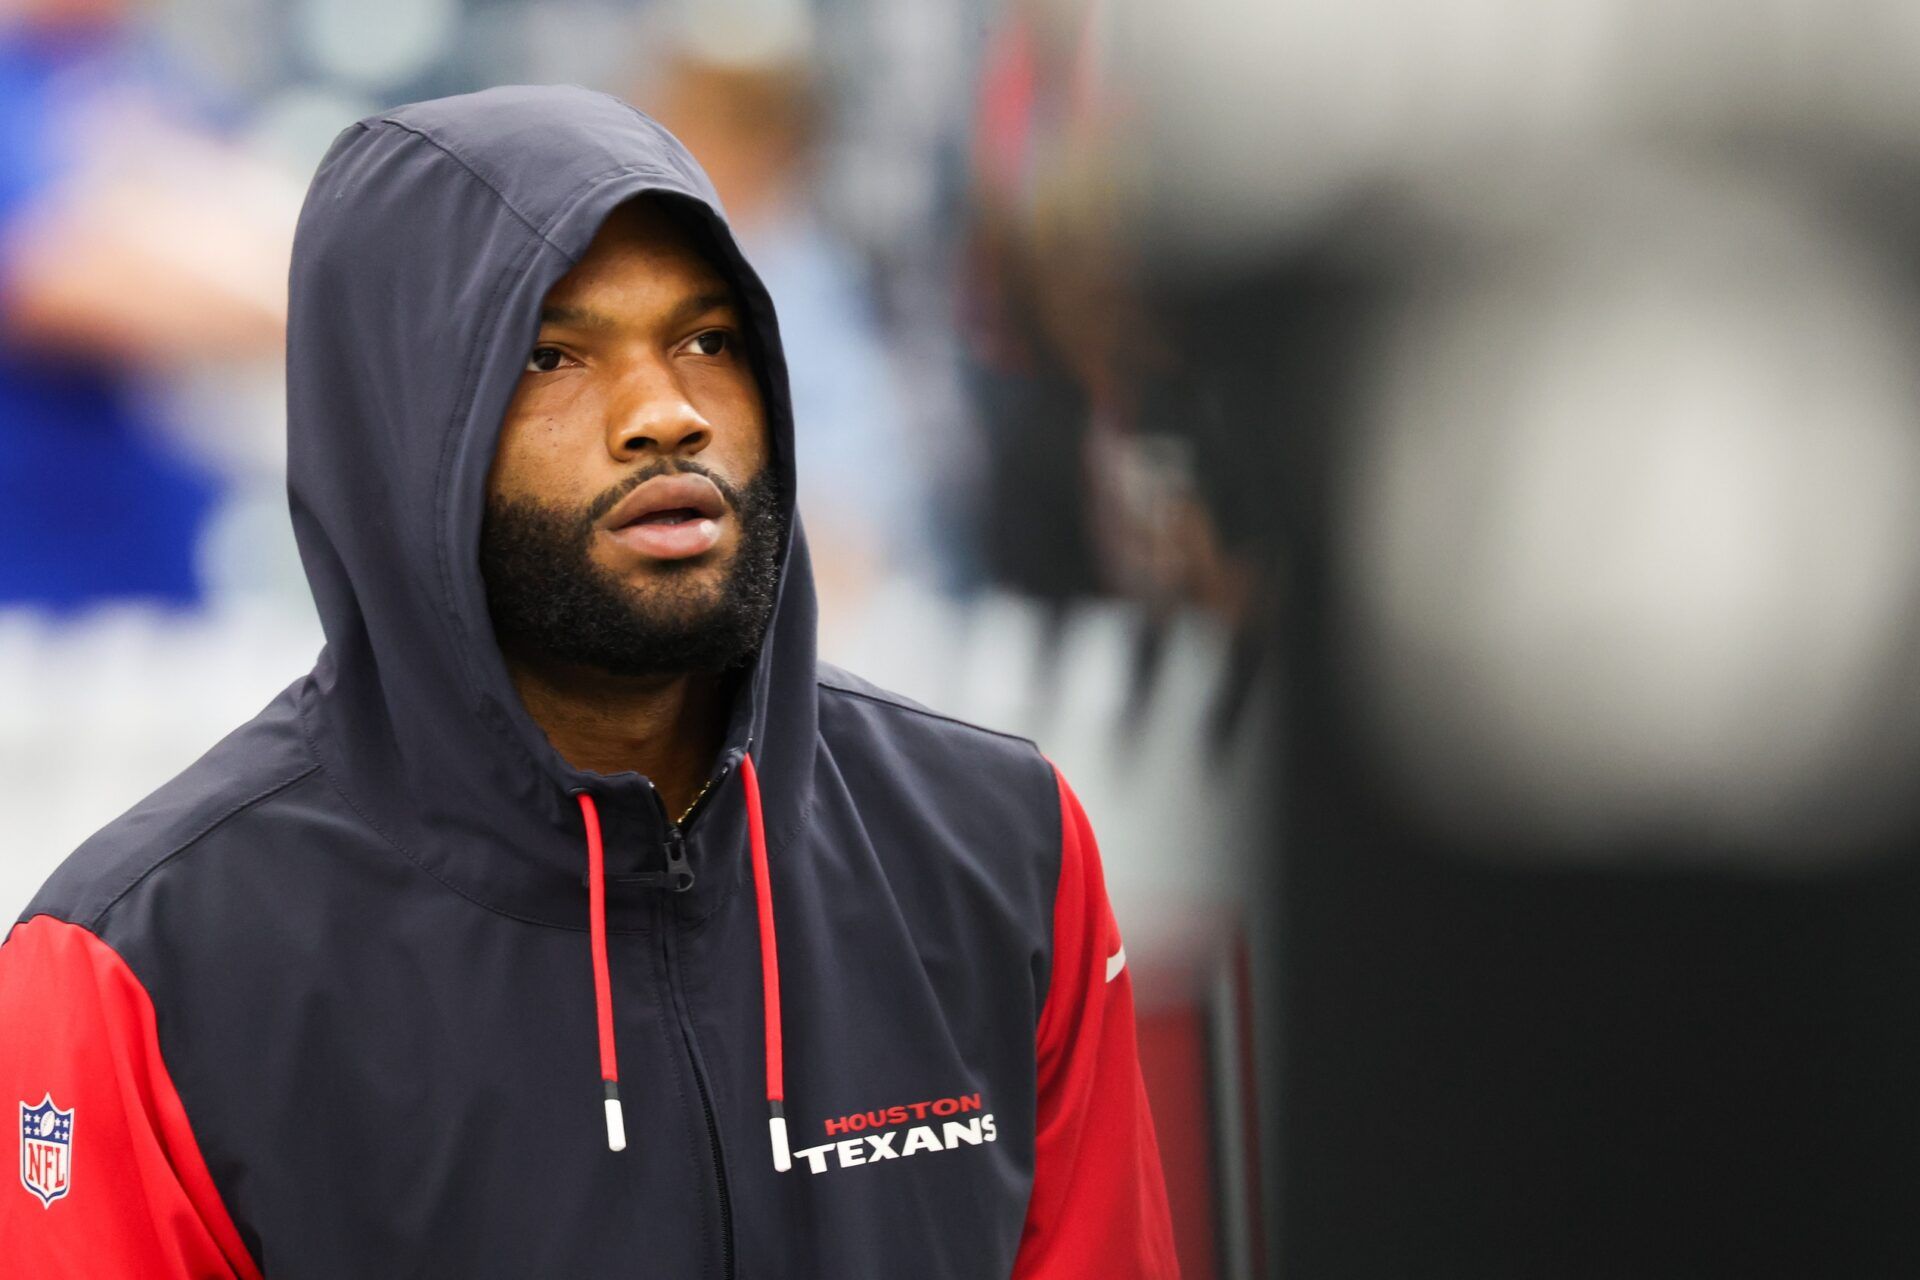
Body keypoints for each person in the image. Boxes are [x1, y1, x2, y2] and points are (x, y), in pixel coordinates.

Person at [0, 85, 1179, 1276]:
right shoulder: (143, 963)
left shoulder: (1002, 844)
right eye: (551, 353)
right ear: (399, 424)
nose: (664, 414)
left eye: (707, 339)